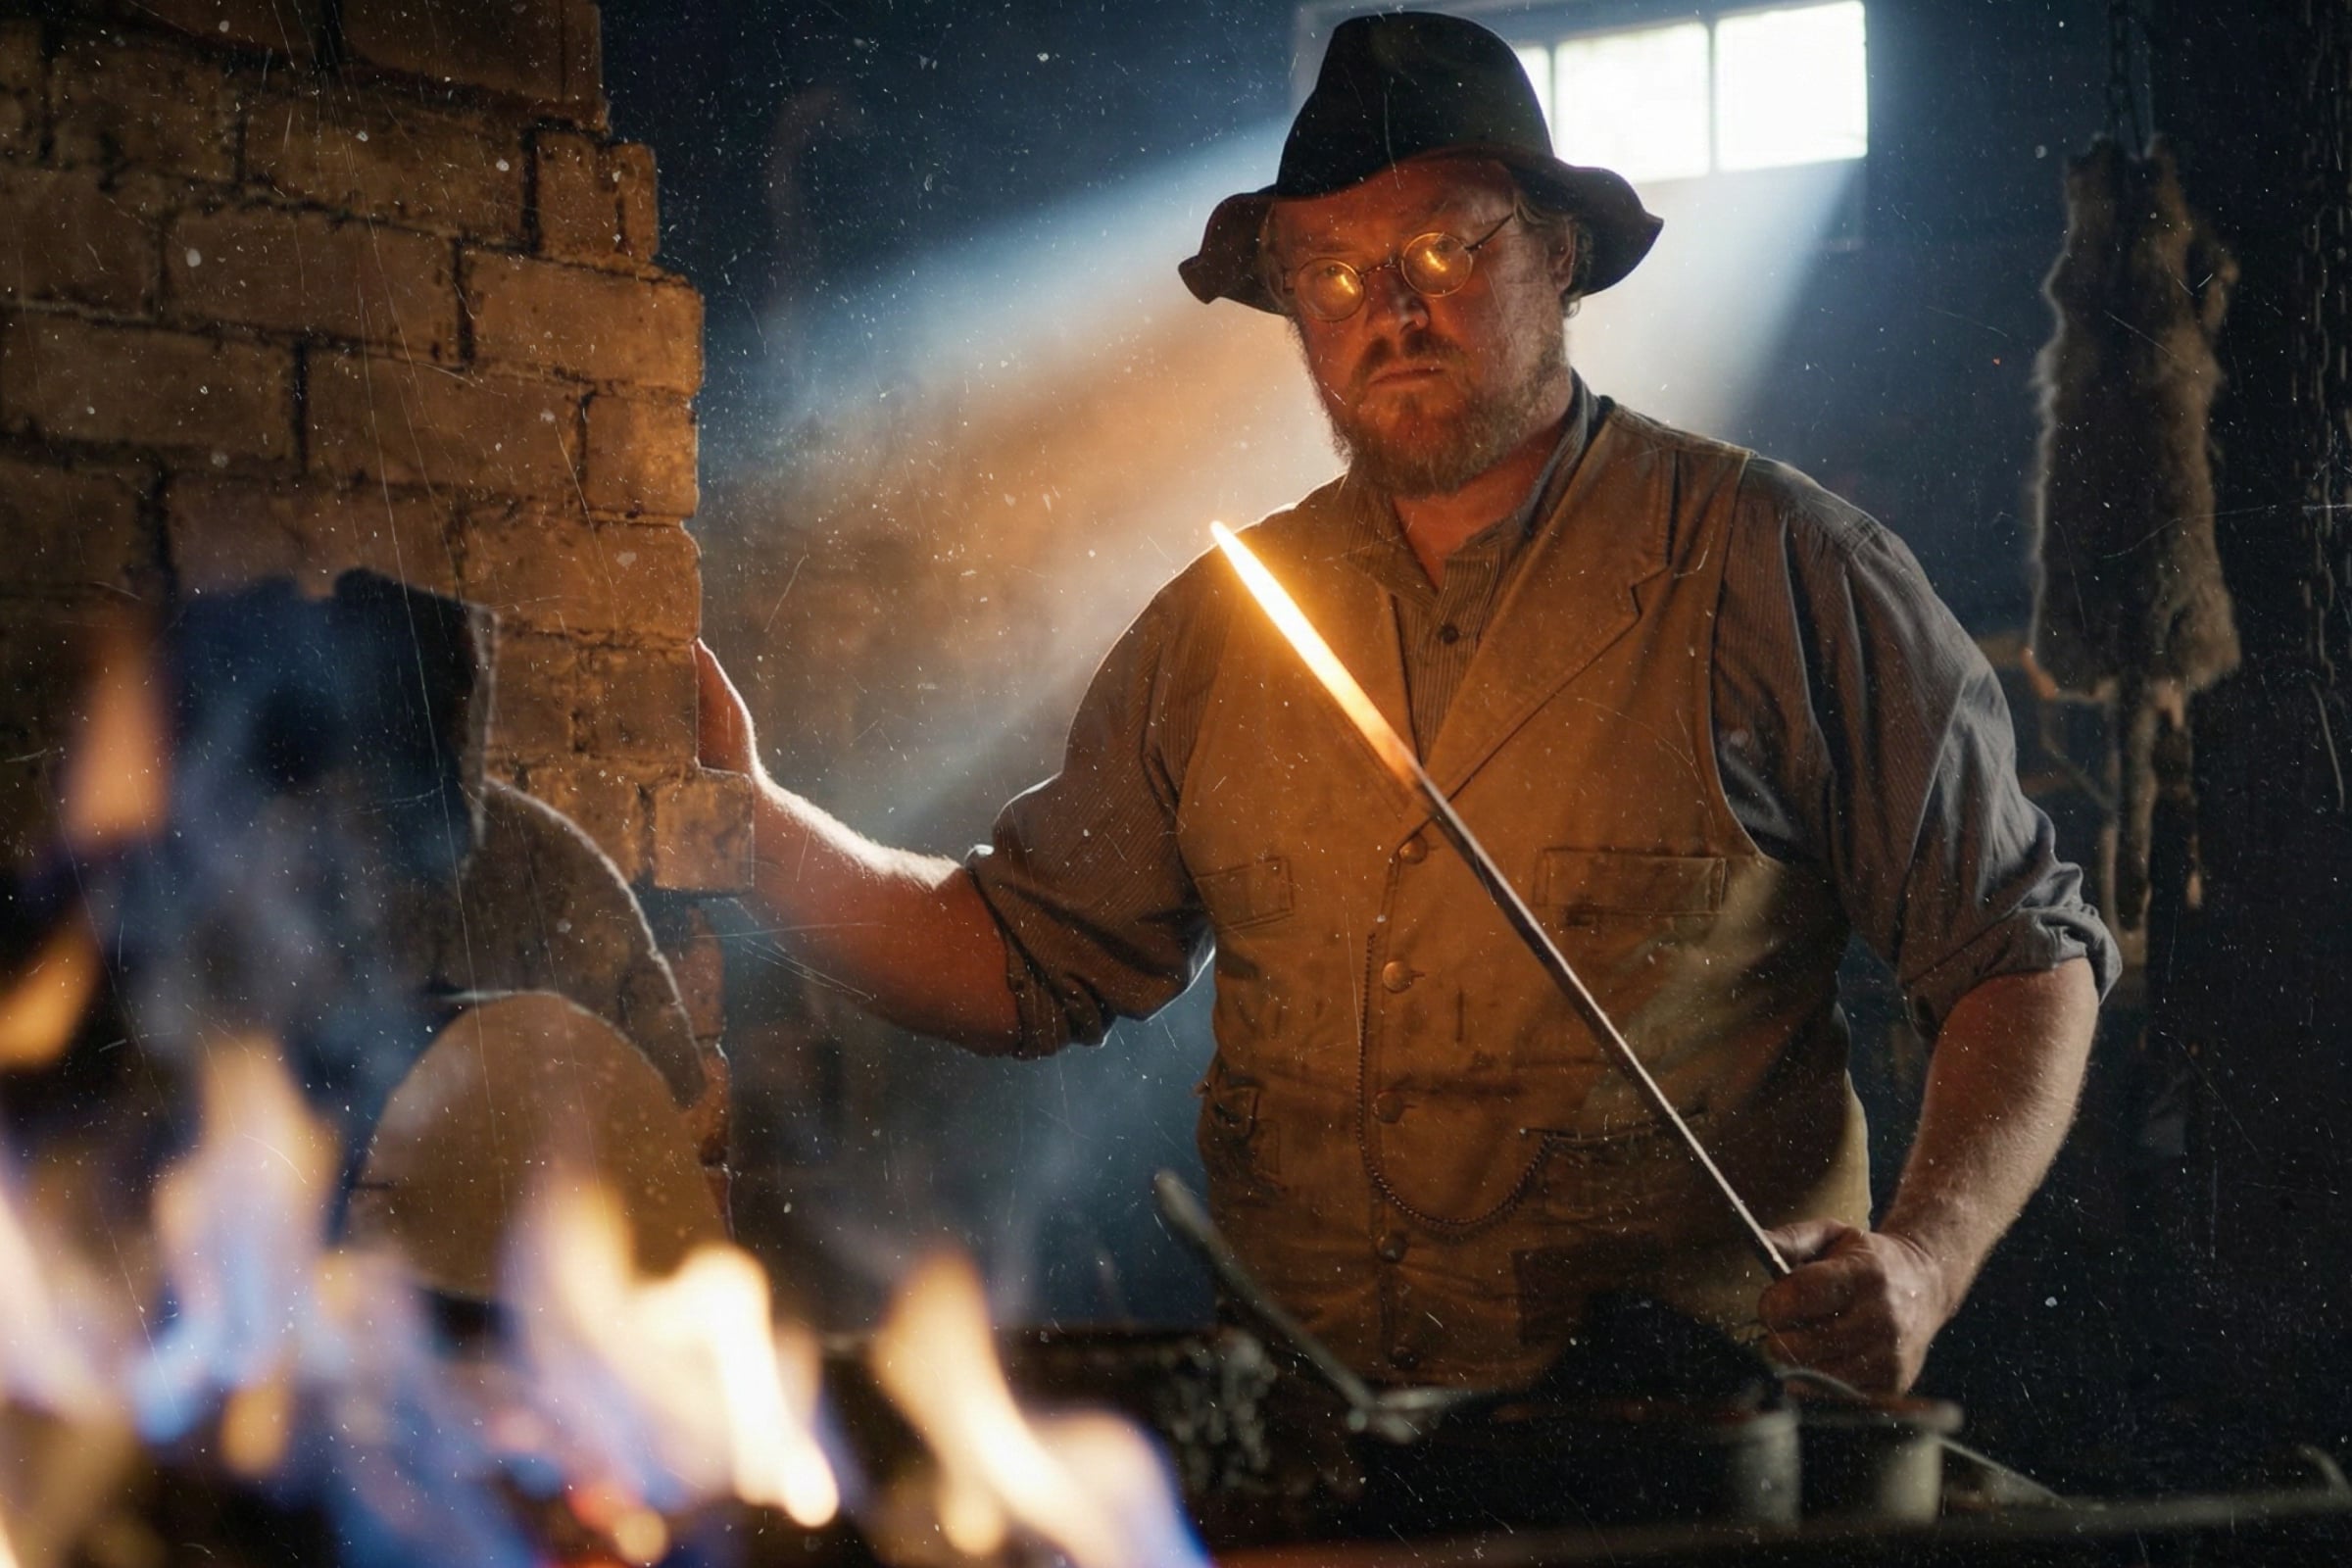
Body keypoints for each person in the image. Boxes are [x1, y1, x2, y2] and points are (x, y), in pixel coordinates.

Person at [695, 11, 2115, 1396]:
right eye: (1331, 276)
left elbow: (2017, 949)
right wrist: (746, 830)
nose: (1392, 311)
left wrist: (1925, 1263)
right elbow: (1021, 955)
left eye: (1445, 248)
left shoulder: (1778, 572)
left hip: (1676, 1455)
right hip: (1314, 1436)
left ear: (1559, 255)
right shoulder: (1227, 629)